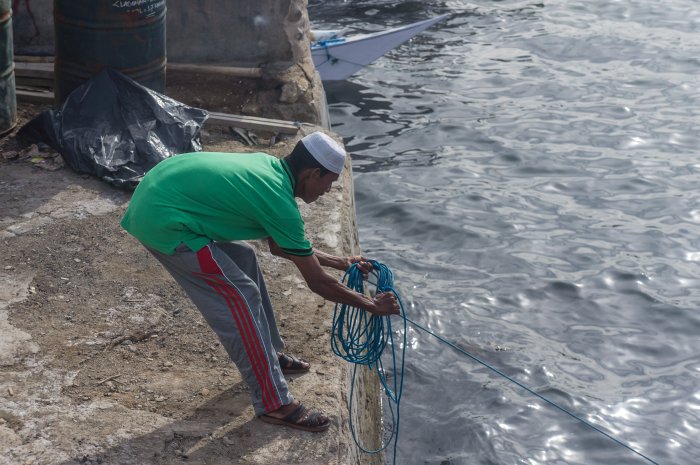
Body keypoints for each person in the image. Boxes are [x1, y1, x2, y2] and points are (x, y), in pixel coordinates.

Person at [120, 131, 400, 433]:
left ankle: (269, 356)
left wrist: (341, 262)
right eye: (329, 180)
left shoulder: (271, 171)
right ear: (312, 173)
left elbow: (282, 245)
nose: (329, 189)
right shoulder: (279, 200)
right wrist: (370, 305)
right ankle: (274, 403)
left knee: (244, 259)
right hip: (162, 219)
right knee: (241, 297)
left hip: (160, 194)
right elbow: (318, 283)